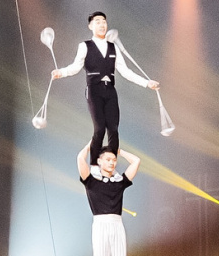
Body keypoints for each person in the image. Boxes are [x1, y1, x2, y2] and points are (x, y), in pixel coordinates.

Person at [53, 11, 159, 165]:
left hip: (110, 91)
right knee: (99, 128)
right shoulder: (84, 46)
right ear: (90, 26)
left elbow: (125, 72)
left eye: (104, 21)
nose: (102, 24)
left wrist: (147, 83)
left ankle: (111, 163)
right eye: (97, 22)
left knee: (114, 130)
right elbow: (75, 67)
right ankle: (95, 165)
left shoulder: (113, 47)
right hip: (94, 91)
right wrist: (60, 72)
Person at [77, 143, 140, 256]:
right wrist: (91, 145)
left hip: (117, 224)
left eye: (114, 160)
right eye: (108, 159)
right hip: (100, 224)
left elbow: (136, 161)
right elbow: (80, 158)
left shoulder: (119, 181)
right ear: (99, 161)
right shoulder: (91, 181)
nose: (112, 162)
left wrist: (119, 151)